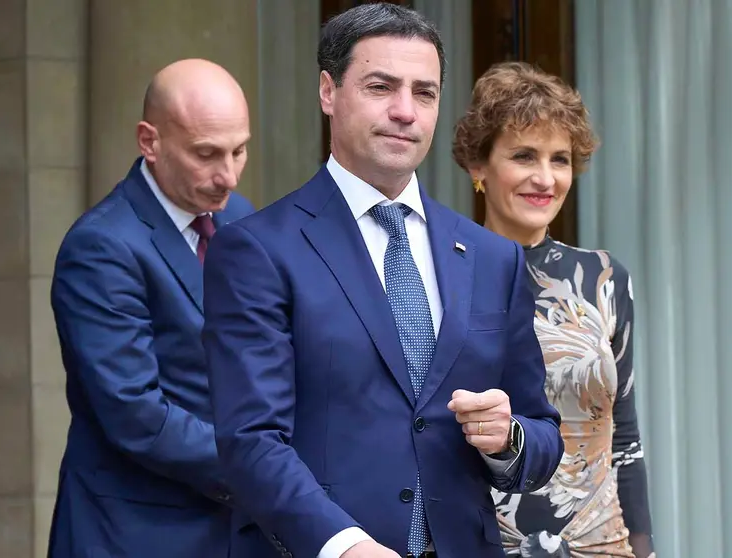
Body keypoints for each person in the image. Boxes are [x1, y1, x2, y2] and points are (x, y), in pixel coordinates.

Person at [200, 4, 564, 558]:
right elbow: (251, 442)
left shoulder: (494, 258)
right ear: (328, 91)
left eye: (425, 93)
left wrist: (508, 439)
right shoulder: (257, 250)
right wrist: (343, 545)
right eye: (380, 86)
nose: (404, 112)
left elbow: (543, 432)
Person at [47, 59, 263, 558]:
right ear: (150, 141)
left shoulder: (239, 218)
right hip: (136, 531)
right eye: (206, 154)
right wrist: (262, 464)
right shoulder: (100, 246)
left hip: (236, 527)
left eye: (239, 150)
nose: (227, 176)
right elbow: (135, 413)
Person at [451, 61, 655, 557]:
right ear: (479, 166)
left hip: (602, 545)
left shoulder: (605, 279)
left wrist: (647, 550)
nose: (545, 179)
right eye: (524, 156)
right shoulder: (441, 276)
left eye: (559, 159)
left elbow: (624, 440)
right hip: (486, 543)